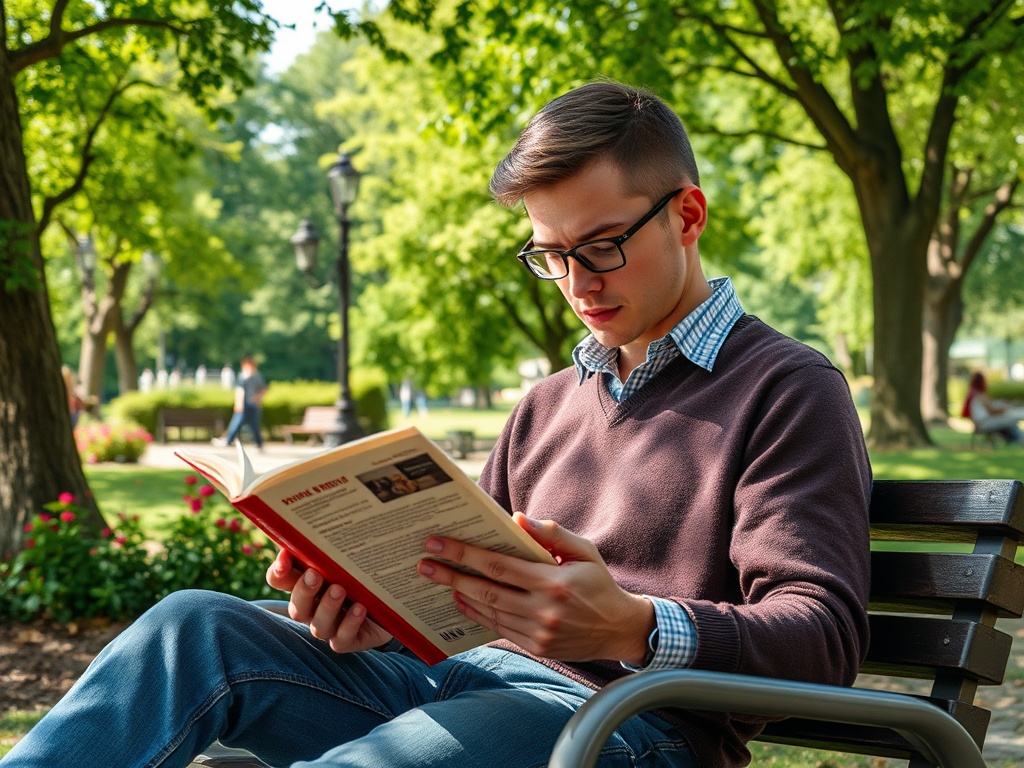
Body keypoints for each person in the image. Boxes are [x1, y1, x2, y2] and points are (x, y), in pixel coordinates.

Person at [2, 82, 871, 768]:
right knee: (193, 627)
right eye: (549, 255)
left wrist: (633, 626)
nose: (576, 281)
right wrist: (371, 607)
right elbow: (458, 597)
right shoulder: (547, 404)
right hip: (455, 682)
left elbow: (824, 637)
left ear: (687, 215)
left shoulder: (786, 388)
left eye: (601, 245)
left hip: (624, 727)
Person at [213, 355, 268, 450]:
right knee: (236, 423)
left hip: (253, 405)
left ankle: (259, 443)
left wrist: (257, 398)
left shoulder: (257, 376)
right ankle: (228, 439)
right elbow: (239, 390)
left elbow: (263, 389)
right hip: (244, 405)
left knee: (254, 425)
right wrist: (239, 403)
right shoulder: (243, 376)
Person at [962, 371, 1024, 444]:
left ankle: (1017, 439)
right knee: (1010, 419)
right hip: (983, 423)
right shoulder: (979, 396)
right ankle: (1020, 439)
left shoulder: (973, 394)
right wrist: (1003, 408)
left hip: (982, 423)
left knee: (1007, 421)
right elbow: (992, 410)